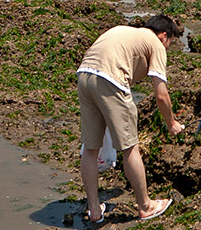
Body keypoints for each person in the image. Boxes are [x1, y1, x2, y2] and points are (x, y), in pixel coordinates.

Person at [77, 16, 182, 226]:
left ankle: (95, 210)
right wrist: (172, 124)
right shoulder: (156, 44)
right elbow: (161, 95)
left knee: (90, 148)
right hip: (110, 79)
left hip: (84, 75)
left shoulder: (125, 31)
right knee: (130, 147)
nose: (167, 49)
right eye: (170, 43)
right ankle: (146, 206)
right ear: (164, 36)